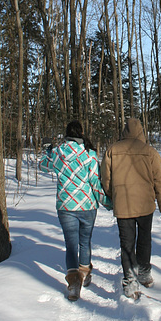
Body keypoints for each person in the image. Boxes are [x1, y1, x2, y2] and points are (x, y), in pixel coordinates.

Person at [39, 120, 111, 301]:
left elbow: (43, 165)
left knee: (71, 245)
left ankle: (73, 283)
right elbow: (95, 182)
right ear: (81, 134)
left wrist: (47, 150)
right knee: (84, 242)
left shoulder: (57, 154)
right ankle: (84, 275)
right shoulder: (90, 155)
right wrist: (107, 202)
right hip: (87, 206)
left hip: (66, 206)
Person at [101, 118, 161, 299]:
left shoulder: (112, 150)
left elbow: (105, 179)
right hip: (145, 204)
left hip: (123, 205)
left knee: (127, 243)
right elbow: (160, 182)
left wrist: (112, 196)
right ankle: (144, 273)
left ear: (124, 131)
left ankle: (130, 281)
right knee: (144, 240)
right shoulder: (150, 152)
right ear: (141, 132)